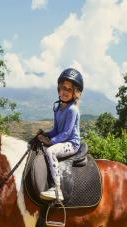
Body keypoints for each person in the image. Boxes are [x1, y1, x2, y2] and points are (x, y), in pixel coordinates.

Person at [36, 68, 83, 201]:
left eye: (69, 89)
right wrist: (45, 134)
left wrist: (50, 142)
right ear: (59, 89)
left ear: (75, 93)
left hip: (71, 143)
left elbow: (67, 133)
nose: (65, 91)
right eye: (63, 87)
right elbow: (56, 130)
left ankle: (57, 190)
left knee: (50, 151)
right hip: (63, 139)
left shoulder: (73, 110)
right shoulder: (58, 108)